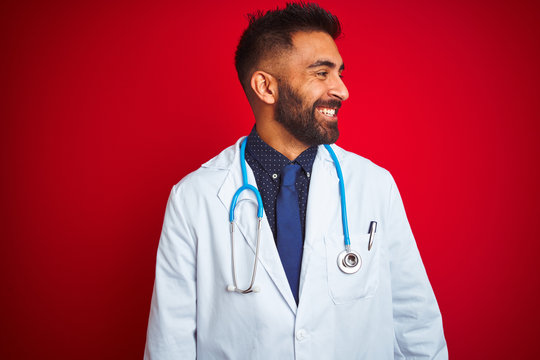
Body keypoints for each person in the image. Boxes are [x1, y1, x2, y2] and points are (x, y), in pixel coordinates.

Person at [144, 2, 447, 359]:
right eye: (321, 73)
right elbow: (171, 343)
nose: (342, 90)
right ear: (266, 87)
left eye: (340, 74)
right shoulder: (195, 197)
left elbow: (416, 325)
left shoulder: (373, 185)